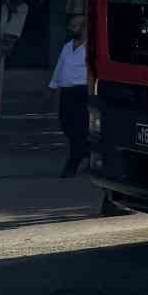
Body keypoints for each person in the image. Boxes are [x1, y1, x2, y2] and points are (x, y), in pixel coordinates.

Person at [49, 13, 89, 178]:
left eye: (75, 26)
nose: (71, 29)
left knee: (78, 129)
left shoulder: (90, 47)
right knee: (66, 125)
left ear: (84, 28)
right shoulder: (67, 46)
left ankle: (73, 162)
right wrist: (53, 86)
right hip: (66, 93)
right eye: (71, 25)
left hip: (82, 92)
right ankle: (87, 153)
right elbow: (60, 67)